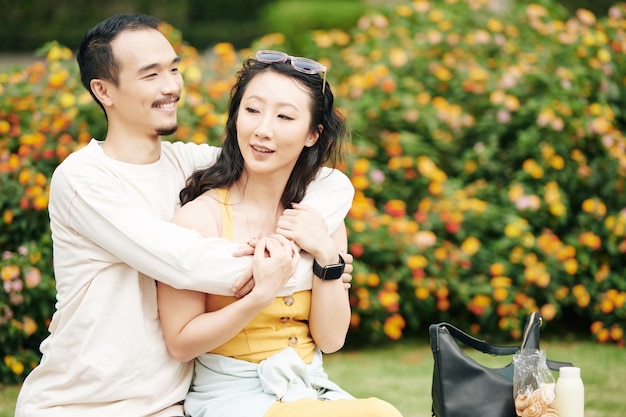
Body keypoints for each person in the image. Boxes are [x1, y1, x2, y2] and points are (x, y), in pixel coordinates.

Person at [14, 15, 354, 417]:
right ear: (104, 90)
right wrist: (295, 265)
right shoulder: (85, 179)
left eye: (173, 69)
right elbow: (182, 262)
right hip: (81, 403)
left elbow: (323, 179)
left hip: (168, 405)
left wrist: (318, 245)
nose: (171, 85)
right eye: (150, 74)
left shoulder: (186, 164)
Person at [156, 51, 403, 417]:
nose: (263, 129)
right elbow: (180, 343)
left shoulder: (318, 218)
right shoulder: (200, 219)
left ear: (312, 134)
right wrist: (261, 294)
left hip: (309, 388)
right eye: (252, 110)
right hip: (231, 396)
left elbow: (331, 340)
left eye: (284, 116)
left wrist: (326, 256)